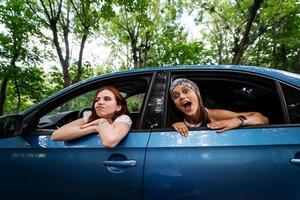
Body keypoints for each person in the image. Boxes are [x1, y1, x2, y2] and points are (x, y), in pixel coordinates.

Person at [170, 78, 269, 136]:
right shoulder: (172, 120)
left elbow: (262, 119)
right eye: (176, 96)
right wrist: (174, 127)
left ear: (197, 94)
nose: (182, 97)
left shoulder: (214, 115)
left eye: (186, 91)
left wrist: (237, 121)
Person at [51, 86, 132, 147]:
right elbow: (56, 135)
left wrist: (101, 122)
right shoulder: (90, 116)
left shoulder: (123, 119)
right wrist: (94, 128)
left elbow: (109, 141)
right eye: (97, 100)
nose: (100, 102)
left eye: (107, 99)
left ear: (118, 107)